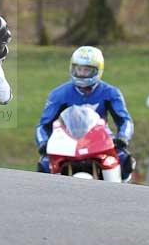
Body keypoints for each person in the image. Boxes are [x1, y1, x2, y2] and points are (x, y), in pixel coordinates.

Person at [35, 46, 134, 180]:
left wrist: (123, 137)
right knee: (44, 166)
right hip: (67, 140)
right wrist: (43, 142)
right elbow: (43, 125)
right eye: (78, 69)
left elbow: (124, 120)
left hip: (101, 139)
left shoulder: (111, 92)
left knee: (125, 161)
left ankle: (120, 188)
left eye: (87, 70)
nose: (81, 73)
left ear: (98, 70)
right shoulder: (59, 94)